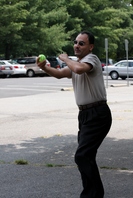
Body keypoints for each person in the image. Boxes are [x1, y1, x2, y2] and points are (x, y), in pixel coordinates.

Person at [37, 31, 112, 198]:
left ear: (90, 47)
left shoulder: (91, 59)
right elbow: (59, 74)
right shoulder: (75, 63)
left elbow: (78, 69)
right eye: (76, 42)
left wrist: (65, 58)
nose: (77, 45)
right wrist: (44, 67)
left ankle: (92, 194)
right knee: (86, 157)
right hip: (85, 115)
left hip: (98, 114)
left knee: (82, 155)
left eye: (81, 43)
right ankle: (92, 193)